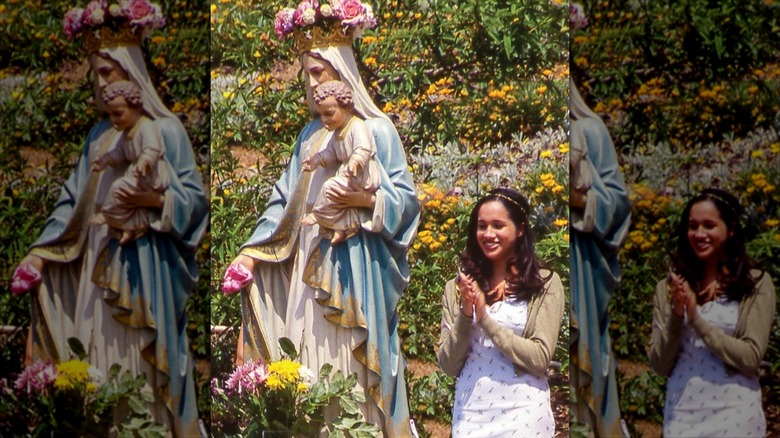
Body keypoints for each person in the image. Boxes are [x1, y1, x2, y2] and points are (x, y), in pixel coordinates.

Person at [222, 2, 420, 436]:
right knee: (304, 358)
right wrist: (251, 255)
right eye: (306, 74)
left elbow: (406, 201)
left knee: (348, 358)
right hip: (305, 267)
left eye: (318, 73)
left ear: (342, 72)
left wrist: (366, 201)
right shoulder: (309, 135)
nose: (310, 85)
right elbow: (282, 202)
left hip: (354, 267)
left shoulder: (377, 130)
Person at [10, 4, 207, 436]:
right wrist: (40, 255)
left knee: (138, 355)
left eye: (107, 72)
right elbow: (71, 202)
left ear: (130, 73)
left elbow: (195, 201)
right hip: (94, 266)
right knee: (95, 354)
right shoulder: (99, 135)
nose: (99, 83)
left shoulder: (167, 130)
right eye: (95, 73)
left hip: (144, 265)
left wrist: (155, 200)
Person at [437, 188, 565, 437]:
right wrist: (466, 311)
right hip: (472, 413)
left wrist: (485, 318)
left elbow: (540, 359)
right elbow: (449, 365)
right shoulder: (457, 288)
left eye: (498, 225)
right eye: (482, 226)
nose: (488, 234)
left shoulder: (546, 283)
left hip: (524, 414)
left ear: (519, 229)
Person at [648, 188, 775, 437]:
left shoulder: (756, 284)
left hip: (736, 414)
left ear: (730, 230)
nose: (699, 234)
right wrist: (678, 312)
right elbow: (660, 364)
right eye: (693, 226)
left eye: (709, 225)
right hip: (682, 415)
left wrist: (696, 319)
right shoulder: (668, 288)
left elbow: (751, 358)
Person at [569, 80, 631, 437]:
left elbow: (618, 201)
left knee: (586, 354)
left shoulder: (588, 130)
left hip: (581, 260)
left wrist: (581, 202)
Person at [301, 79, 382, 244]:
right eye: (321, 114)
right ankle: (341, 228)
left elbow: (363, 148)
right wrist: (316, 160)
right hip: (348, 174)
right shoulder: (337, 132)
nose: (324, 119)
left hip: (360, 174)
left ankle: (318, 215)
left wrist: (355, 161)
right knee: (337, 199)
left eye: (329, 113)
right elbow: (331, 152)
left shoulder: (357, 126)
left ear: (345, 107)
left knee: (329, 188)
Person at [91, 80, 171, 245]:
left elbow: (152, 148)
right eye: (110, 114)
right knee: (125, 200)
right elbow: (119, 153)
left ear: (135, 107)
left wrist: (145, 162)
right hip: (137, 174)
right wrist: (105, 161)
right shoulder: (127, 132)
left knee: (117, 188)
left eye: (118, 113)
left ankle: (107, 215)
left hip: (149, 175)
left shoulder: (146, 126)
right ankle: (130, 227)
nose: (113, 119)